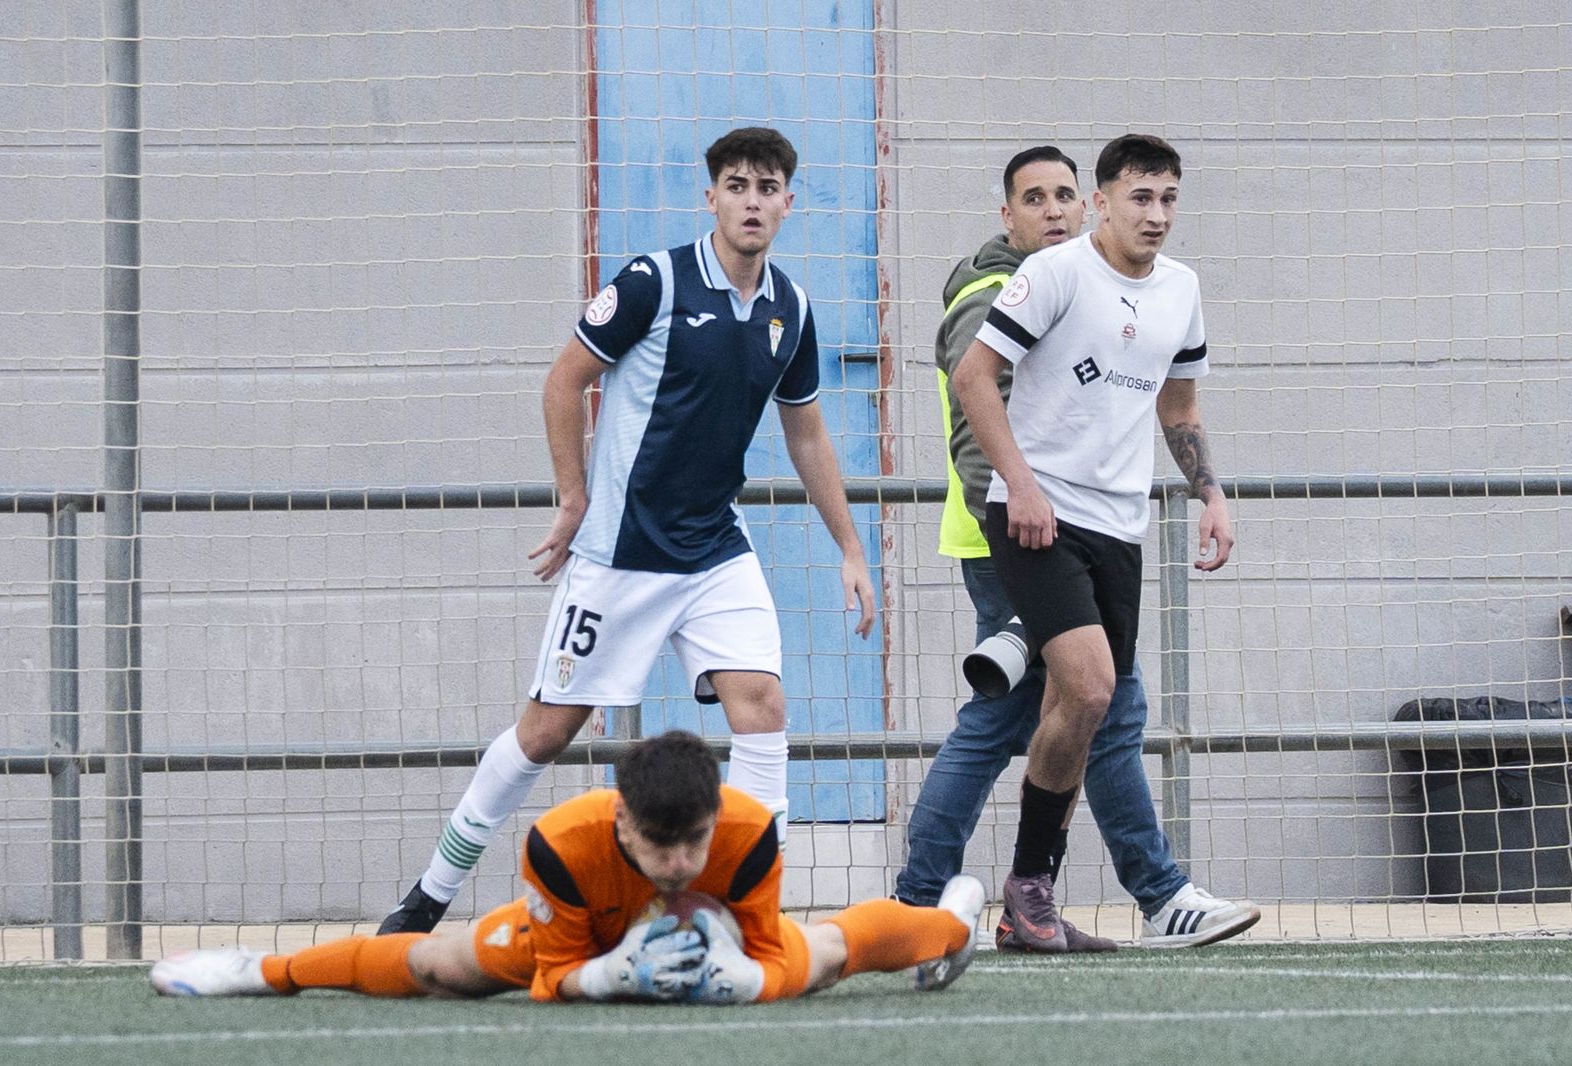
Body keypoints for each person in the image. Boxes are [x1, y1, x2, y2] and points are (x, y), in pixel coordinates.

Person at [376, 127, 876, 934]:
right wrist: (573, 499)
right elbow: (564, 382)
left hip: (715, 547)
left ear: (789, 202)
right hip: (622, 555)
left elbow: (807, 433)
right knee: (544, 734)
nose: (753, 200)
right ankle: (428, 895)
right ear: (709, 196)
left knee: (764, 710)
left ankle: (756, 915)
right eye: (738, 185)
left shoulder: (793, 306)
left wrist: (851, 547)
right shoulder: (656, 282)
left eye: (768, 186)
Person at [896, 145, 1257, 951]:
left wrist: (1210, 491)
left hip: (1114, 531)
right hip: (1026, 527)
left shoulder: (1180, 290)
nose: (1156, 214)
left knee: (1078, 711)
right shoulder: (1032, 280)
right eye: (1140, 197)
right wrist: (1019, 489)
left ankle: (1017, 905)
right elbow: (972, 384)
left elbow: (1180, 402)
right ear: (1106, 203)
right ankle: (1139, 895)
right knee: (1094, 697)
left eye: (1169, 198)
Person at [150, 731, 984, 1003]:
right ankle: (261, 971)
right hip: (598, 936)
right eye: (662, 847)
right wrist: (611, 972)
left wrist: (736, 976)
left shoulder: (747, 833)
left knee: (832, 951)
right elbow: (552, 979)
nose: (680, 861)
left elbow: (768, 958)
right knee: (444, 964)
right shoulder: (560, 843)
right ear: (621, 820)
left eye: (693, 842)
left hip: (721, 940)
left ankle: (955, 919)